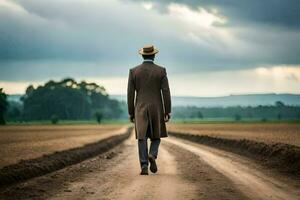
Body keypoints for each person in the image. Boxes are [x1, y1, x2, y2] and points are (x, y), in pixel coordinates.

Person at [127, 44, 171, 175]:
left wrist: (131, 112)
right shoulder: (161, 71)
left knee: (142, 137)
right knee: (156, 137)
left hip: (139, 108)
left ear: (142, 55)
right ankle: (152, 154)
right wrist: (167, 111)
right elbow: (166, 92)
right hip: (157, 108)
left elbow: (130, 94)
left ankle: (144, 165)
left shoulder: (133, 71)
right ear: (154, 55)